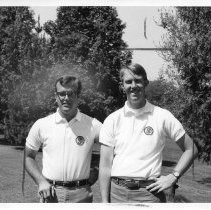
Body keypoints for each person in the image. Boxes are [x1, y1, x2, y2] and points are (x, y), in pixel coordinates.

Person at [99, 63, 198, 203]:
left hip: (150, 195)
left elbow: (191, 148)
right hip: (117, 195)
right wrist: (104, 202)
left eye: (138, 80)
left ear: (145, 83)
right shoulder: (112, 119)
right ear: (122, 86)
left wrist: (173, 176)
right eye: (128, 82)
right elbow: (105, 166)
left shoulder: (162, 116)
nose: (133, 86)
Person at [25, 75, 102, 203]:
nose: (66, 98)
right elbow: (28, 157)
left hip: (82, 195)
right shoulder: (42, 124)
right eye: (62, 94)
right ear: (56, 96)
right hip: (50, 194)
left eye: (71, 94)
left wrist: (97, 170)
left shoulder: (93, 124)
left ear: (78, 96)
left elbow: (114, 149)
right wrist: (41, 181)